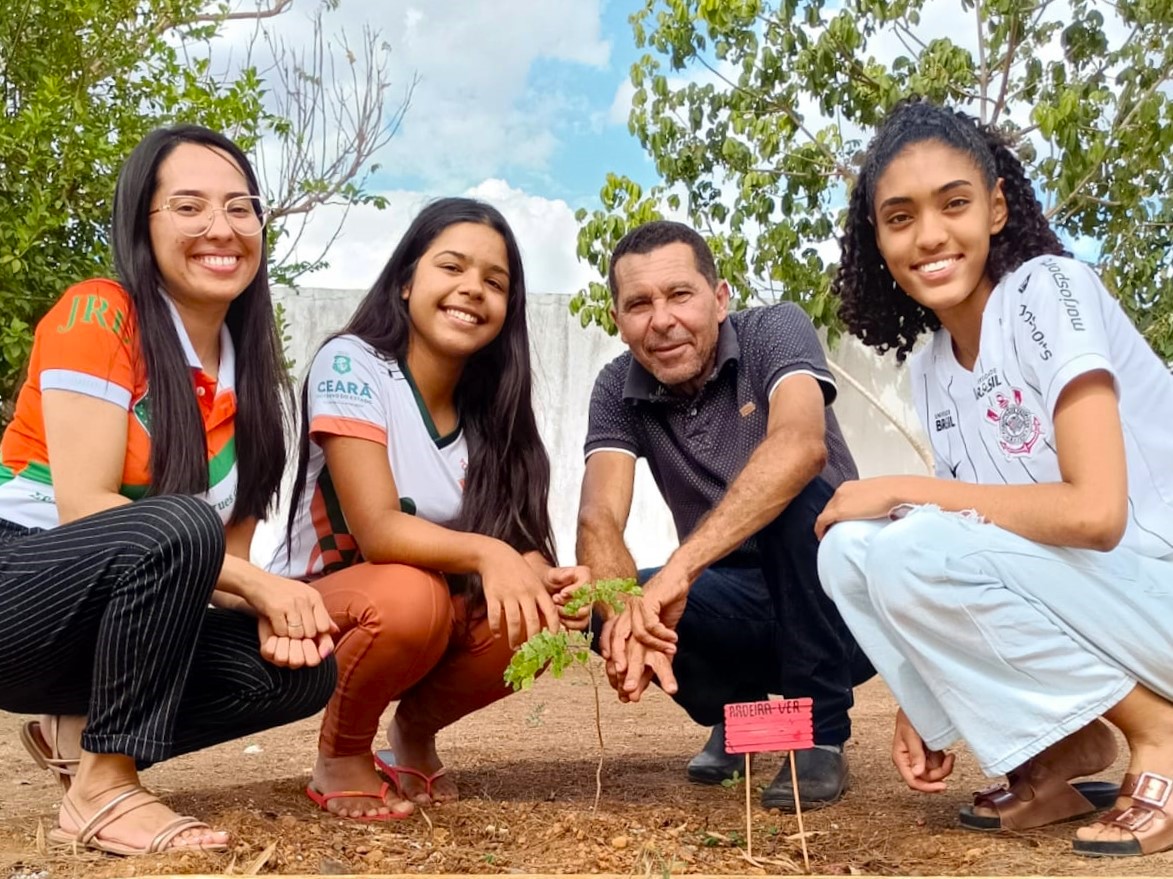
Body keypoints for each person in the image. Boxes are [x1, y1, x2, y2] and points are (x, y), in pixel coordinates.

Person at [818, 97, 1173, 858]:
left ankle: (1160, 732)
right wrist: (924, 671)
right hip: (1102, 605)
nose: (931, 235)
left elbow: (1096, 513)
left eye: (953, 204)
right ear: (876, 239)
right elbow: (972, 545)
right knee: (845, 548)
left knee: (904, 533)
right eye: (900, 216)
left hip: (1156, 588)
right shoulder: (930, 369)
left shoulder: (1049, 290)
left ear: (996, 206)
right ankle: (1055, 754)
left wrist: (898, 491)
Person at [0, 124, 339, 856]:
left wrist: (276, 612)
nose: (221, 228)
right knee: (179, 522)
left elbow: (215, 576)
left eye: (241, 207)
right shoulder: (99, 313)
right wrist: (261, 583)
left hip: (105, 629)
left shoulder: (252, 388)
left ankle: (86, 740)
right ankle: (103, 790)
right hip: (17, 586)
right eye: (189, 207)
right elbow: (85, 503)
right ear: (141, 224)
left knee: (299, 673)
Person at [270, 197, 589, 821]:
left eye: (494, 283)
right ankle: (342, 753)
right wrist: (491, 554)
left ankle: (413, 734)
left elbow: (510, 534)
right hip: (321, 604)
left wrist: (545, 576)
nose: (473, 289)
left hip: (428, 608)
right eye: (452, 267)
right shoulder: (352, 363)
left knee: (539, 609)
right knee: (413, 596)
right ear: (407, 281)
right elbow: (379, 529)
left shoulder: (491, 409)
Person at [576, 220, 874, 811]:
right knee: (607, 594)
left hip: (843, 604)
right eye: (639, 304)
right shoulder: (616, 386)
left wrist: (679, 569)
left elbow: (800, 445)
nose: (661, 320)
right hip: (733, 593)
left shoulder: (775, 329)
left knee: (795, 499)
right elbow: (597, 518)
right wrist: (626, 621)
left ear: (720, 299)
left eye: (680, 295)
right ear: (618, 318)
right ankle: (745, 720)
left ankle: (820, 731)